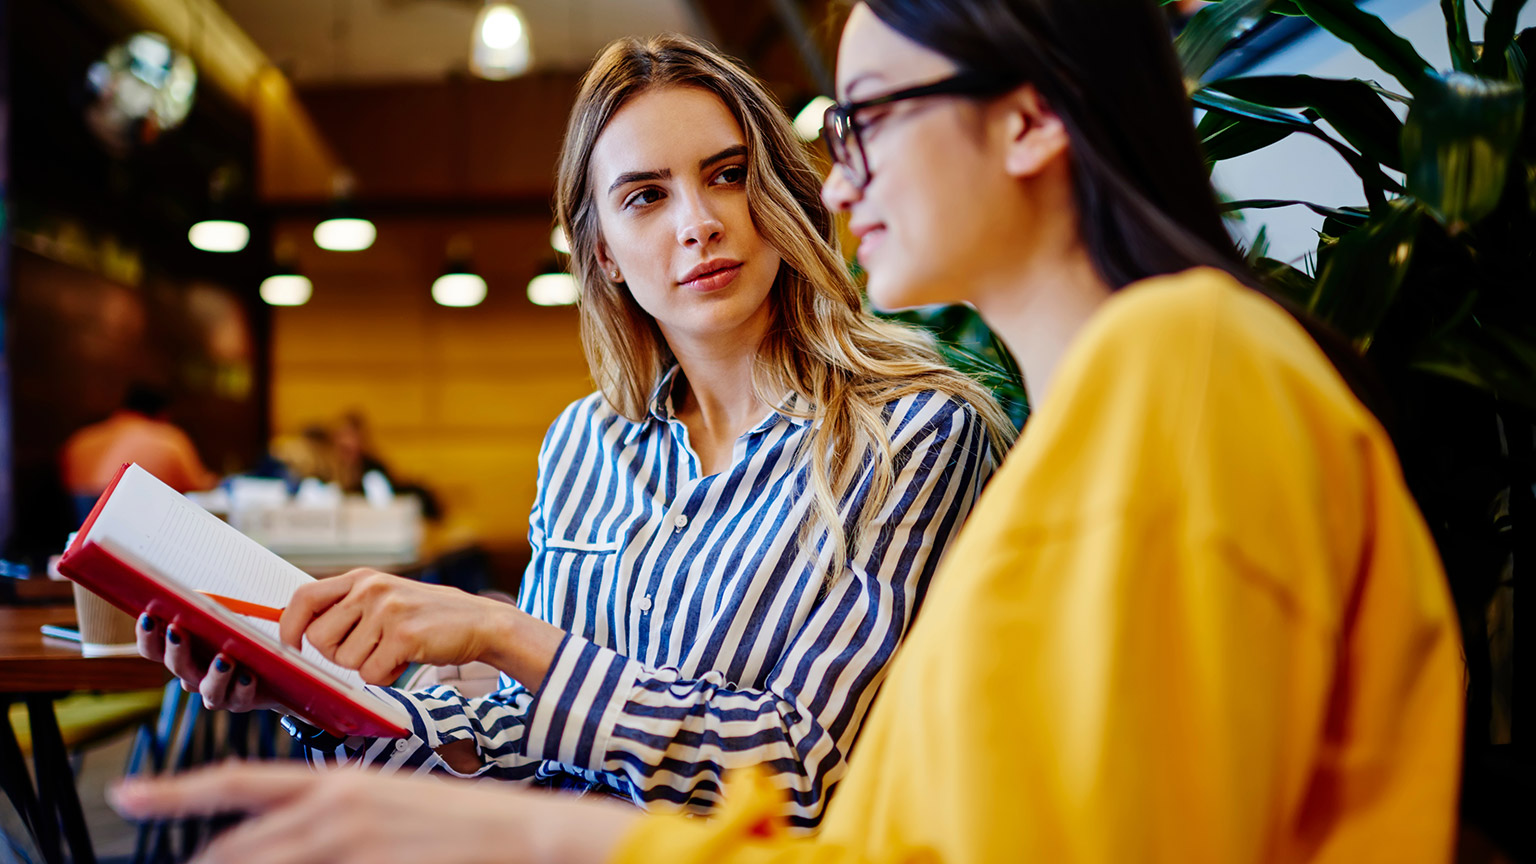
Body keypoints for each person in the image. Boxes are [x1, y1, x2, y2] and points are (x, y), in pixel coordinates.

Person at [112, 0, 1464, 861]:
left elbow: (843, 798)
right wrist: (332, 701)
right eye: (644, 199)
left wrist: (522, 736)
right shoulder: (1093, 420)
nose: (833, 175)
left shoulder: (1146, 382)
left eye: (855, 123)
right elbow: (916, 833)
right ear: (600, 252)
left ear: (1033, 116)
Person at [131, 32, 1013, 829]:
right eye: (644, 197)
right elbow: (530, 745)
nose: (698, 222)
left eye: (727, 174)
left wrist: (504, 634)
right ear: (603, 255)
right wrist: (310, 686)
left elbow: (805, 772)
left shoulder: (914, 432)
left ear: (777, 191)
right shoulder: (587, 443)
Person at [61, 382, 217, 518]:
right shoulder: (168, 438)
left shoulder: (80, 440)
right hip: (140, 535)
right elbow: (197, 486)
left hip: (79, 531)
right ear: (163, 414)